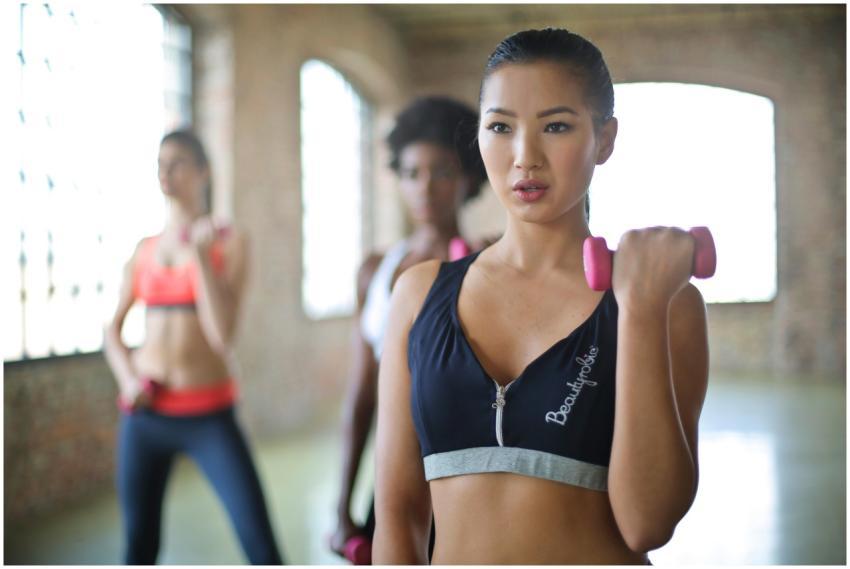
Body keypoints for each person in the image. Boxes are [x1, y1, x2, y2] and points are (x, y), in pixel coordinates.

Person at [373, 28, 709, 564]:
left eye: (555, 126)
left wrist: (640, 311)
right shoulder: (418, 295)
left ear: (605, 139)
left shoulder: (664, 304)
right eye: (501, 127)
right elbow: (398, 510)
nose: (525, 156)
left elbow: (647, 523)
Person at [103, 129, 284, 564]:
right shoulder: (143, 250)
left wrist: (200, 256)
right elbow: (112, 330)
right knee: (138, 547)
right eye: (161, 164)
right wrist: (128, 380)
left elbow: (223, 337)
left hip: (209, 417)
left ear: (203, 171)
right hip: (145, 418)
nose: (167, 173)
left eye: (179, 162)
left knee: (261, 548)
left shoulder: (230, 242)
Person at [330, 96, 488, 559]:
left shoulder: (486, 264)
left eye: (442, 172)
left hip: (466, 477)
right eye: (412, 173)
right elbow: (363, 393)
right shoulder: (376, 270)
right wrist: (342, 505)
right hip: (395, 473)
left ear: (468, 178)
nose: (426, 188)